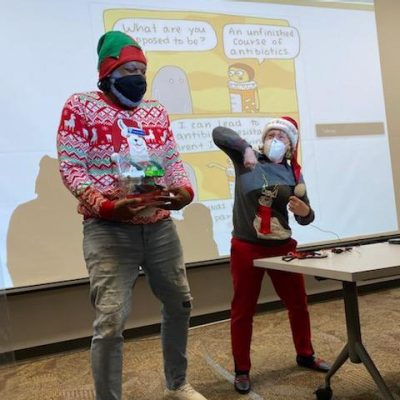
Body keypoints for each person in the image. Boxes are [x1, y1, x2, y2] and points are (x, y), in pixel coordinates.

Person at [57, 31, 207, 400]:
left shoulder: (155, 110)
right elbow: (72, 168)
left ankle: (177, 384)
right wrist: (106, 204)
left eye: (142, 69)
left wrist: (185, 191)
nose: (137, 76)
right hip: (108, 230)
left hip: (158, 227)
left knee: (180, 303)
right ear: (107, 72)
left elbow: (171, 160)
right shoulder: (80, 107)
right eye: (128, 68)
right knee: (110, 322)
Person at [212, 117, 330, 395]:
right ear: (262, 139)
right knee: (243, 310)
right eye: (271, 134)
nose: (276, 140)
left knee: (298, 304)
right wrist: (245, 149)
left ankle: (305, 353)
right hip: (246, 247)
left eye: (283, 137)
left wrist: (304, 212)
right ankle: (242, 369)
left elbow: (306, 215)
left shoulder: (294, 174)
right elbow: (219, 133)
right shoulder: (246, 161)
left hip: (282, 246)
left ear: (291, 145)